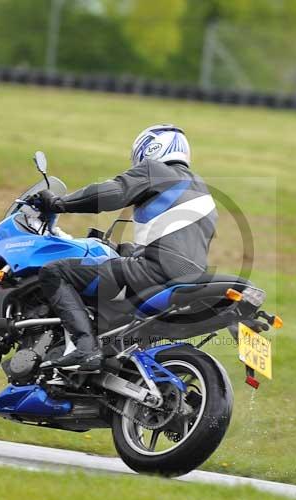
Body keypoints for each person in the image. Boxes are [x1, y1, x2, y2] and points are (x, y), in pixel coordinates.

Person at [28, 124, 217, 371]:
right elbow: (172, 243)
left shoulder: (155, 170)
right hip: (191, 278)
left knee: (55, 272)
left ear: (152, 148)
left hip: (155, 272)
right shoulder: (201, 191)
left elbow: (110, 193)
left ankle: (85, 348)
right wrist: (121, 248)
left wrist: (58, 203)